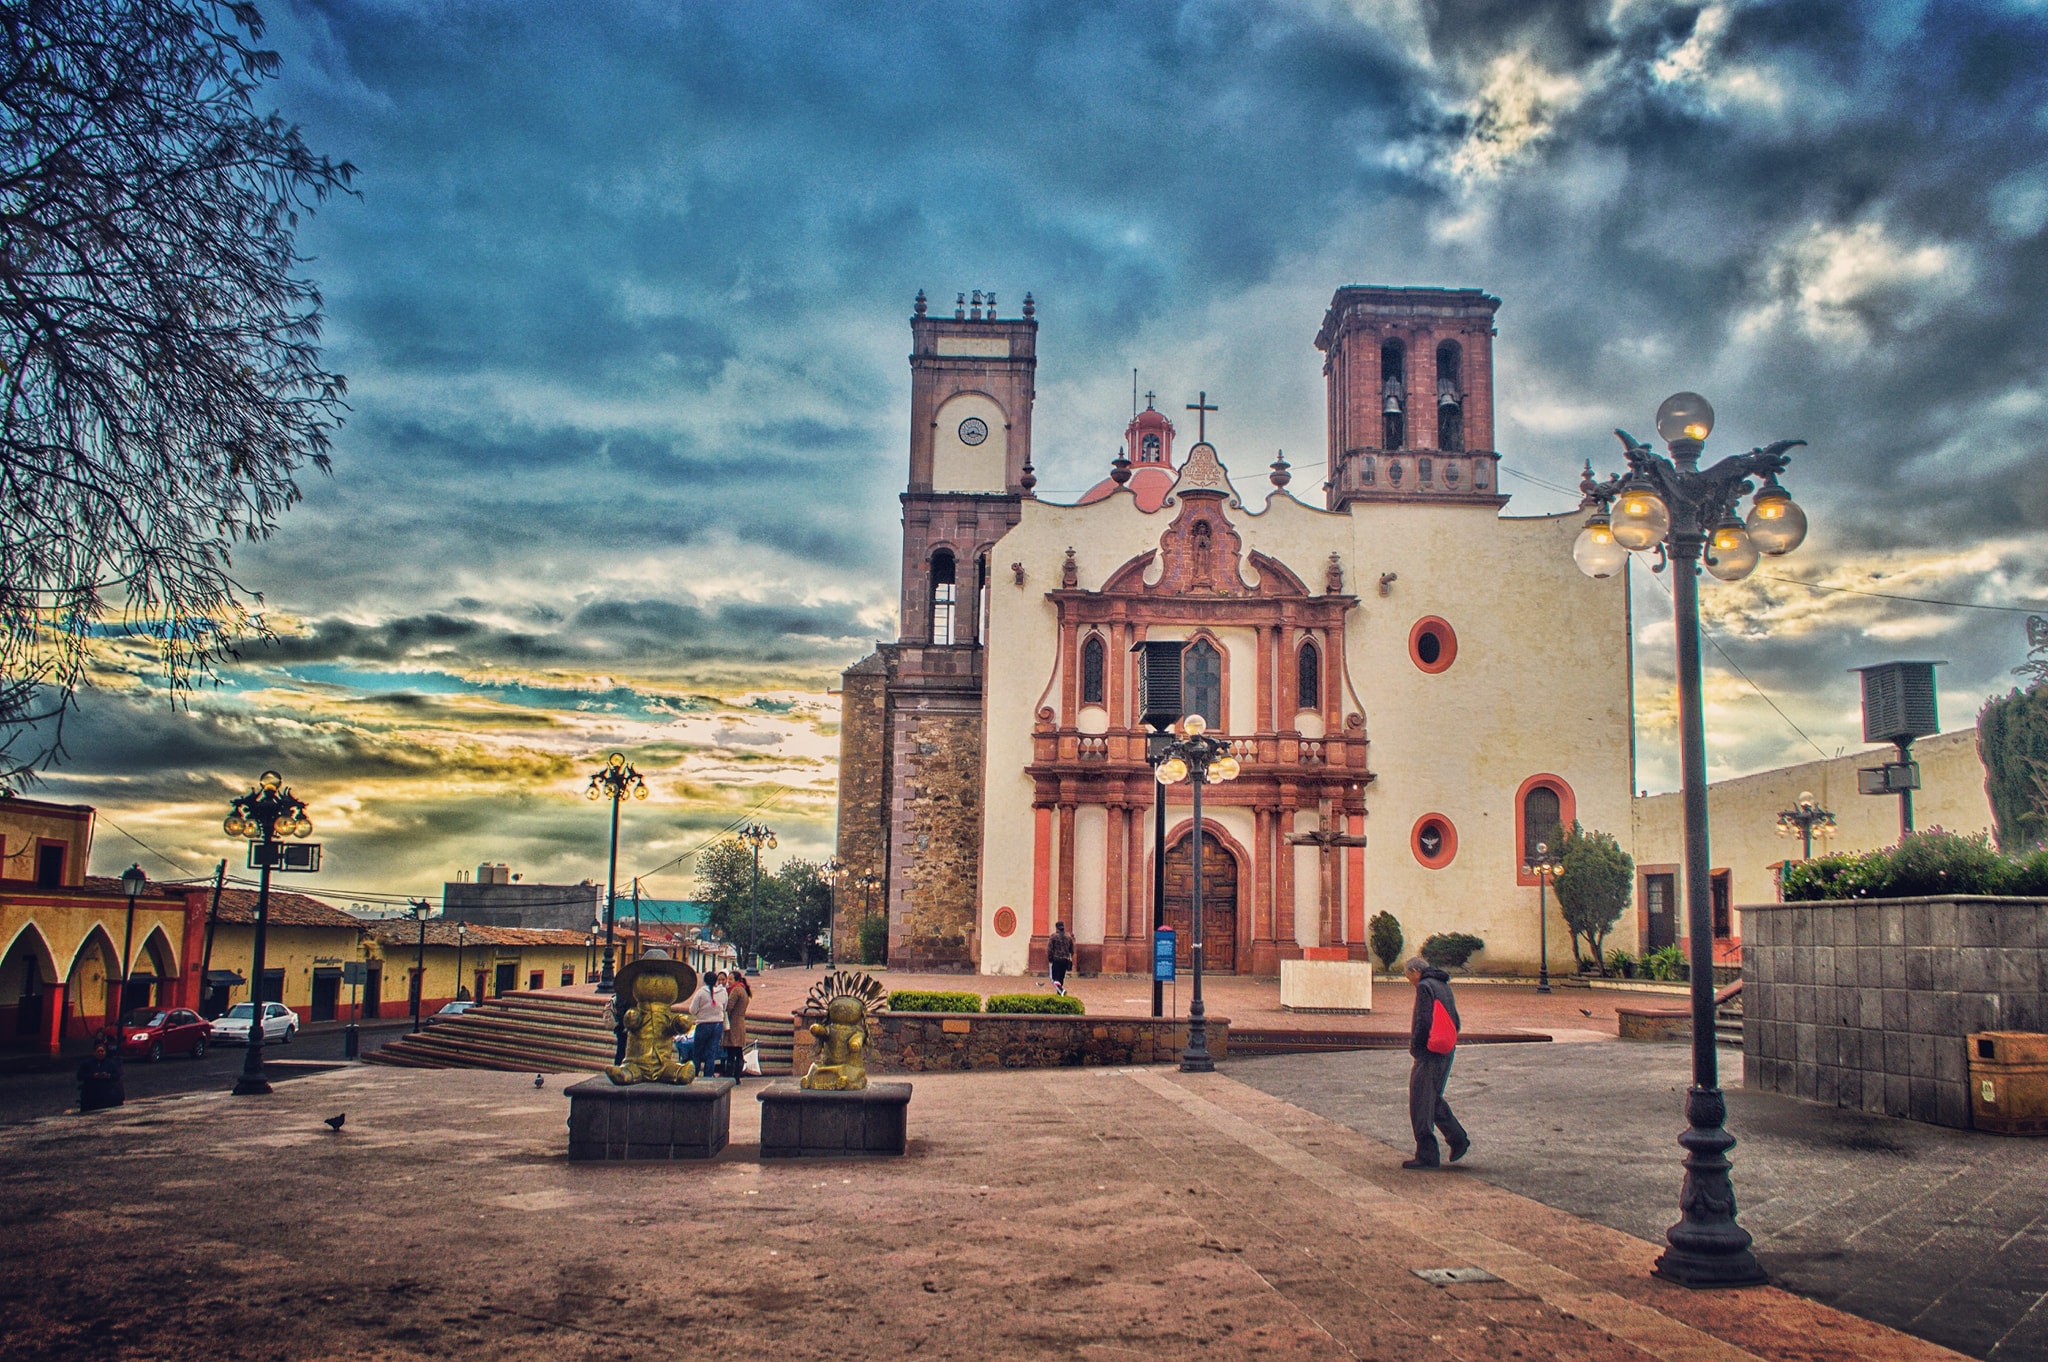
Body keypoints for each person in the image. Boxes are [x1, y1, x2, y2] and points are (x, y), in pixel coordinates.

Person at [1403, 956, 1469, 1169]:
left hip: (1429, 1052)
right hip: (1445, 1049)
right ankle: (1457, 1138)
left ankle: (1427, 1154)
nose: (1409, 981)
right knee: (1431, 1098)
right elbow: (1455, 1020)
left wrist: (1416, 1048)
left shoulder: (1424, 987)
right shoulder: (1443, 985)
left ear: (1415, 971)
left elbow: (1422, 1021)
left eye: (1408, 976)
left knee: (1420, 1100)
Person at [685, 970, 725, 1077]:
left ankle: (694, 1074)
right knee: (711, 1053)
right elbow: (724, 1007)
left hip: (703, 1024)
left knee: (697, 1052)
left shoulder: (701, 993)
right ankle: (708, 1076)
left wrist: (701, 1013)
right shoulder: (722, 992)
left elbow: (692, 1010)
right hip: (718, 1025)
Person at [76, 1032, 125, 1112]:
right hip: (91, 1093)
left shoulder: (110, 1063)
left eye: (102, 1051)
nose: (100, 1053)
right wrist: (93, 1076)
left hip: (106, 1093)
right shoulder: (87, 1063)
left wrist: (108, 1075)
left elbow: (117, 1075)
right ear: (94, 1052)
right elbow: (80, 1075)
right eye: (98, 1051)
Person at [724, 968, 751, 1079]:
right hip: (740, 1023)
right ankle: (737, 1076)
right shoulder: (743, 990)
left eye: (730, 979)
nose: (728, 981)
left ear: (736, 980)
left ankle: (732, 1076)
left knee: (732, 1053)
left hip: (734, 1024)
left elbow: (729, 1007)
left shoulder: (735, 991)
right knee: (738, 1052)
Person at [1048, 921, 1075, 996]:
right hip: (1065, 960)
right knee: (1061, 977)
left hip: (1056, 959)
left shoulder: (1053, 936)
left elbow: (1050, 949)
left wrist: (1050, 958)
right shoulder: (1068, 937)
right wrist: (1069, 957)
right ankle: (1059, 993)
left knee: (1054, 978)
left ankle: (1061, 990)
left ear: (1056, 927)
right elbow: (1072, 950)